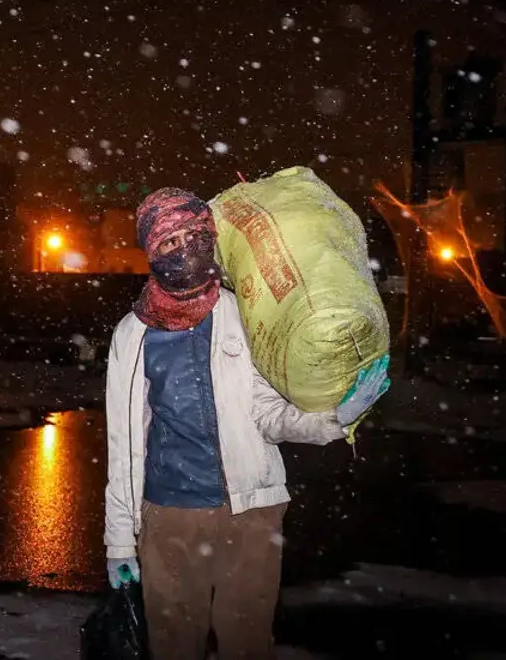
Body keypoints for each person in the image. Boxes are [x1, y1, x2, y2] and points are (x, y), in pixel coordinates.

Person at [103, 187, 385, 659]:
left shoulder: (240, 315)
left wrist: (337, 417)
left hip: (253, 512)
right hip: (171, 516)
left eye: (196, 235)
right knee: (173, 644)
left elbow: (269, 415)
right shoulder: (133, 337)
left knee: (248, 644)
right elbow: (124, 446)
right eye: (171, 242)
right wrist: (119, 542)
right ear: (152, 251)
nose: (186, 249)